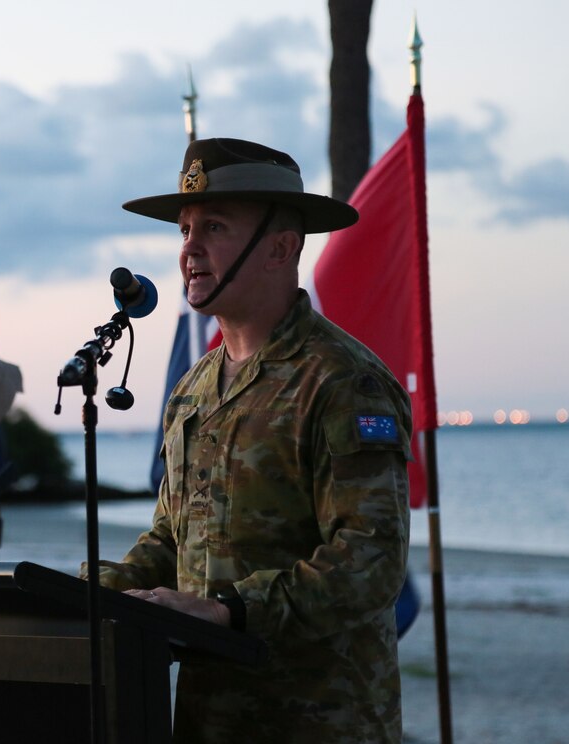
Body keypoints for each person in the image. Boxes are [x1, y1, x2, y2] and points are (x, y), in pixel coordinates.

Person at [94, 137, 412, 743]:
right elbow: (172, 537)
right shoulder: (194, 389)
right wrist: (88, 593)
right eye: (184, 229)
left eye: (213, 226)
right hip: (208, 722)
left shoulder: (344, 382)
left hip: (320, 723)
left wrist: (229, 611)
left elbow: (370, 561)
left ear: (280, 247)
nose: (189, 248)